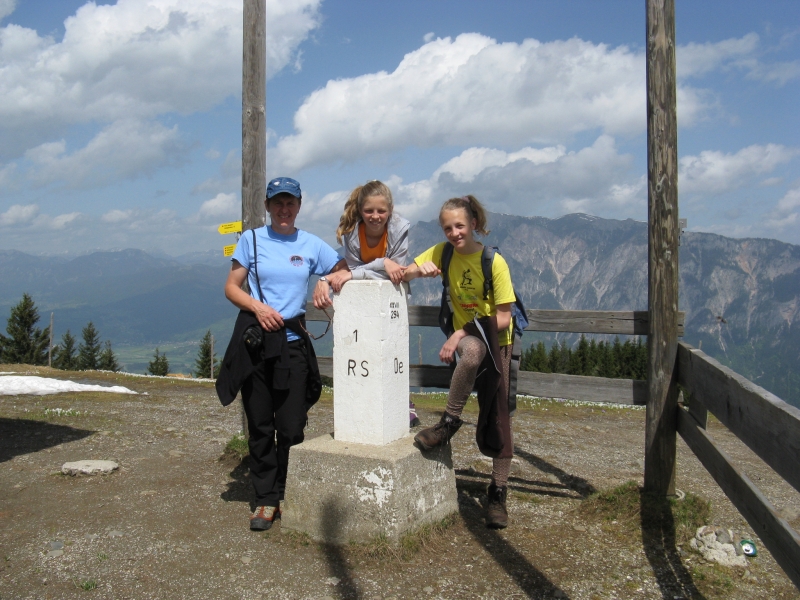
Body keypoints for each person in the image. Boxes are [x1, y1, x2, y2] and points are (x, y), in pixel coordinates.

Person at [217, 177, 347, 531]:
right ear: (267, 206)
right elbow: (231, 287)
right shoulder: (251, 240)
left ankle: (288, 489)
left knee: (291, 425)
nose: (284, 209)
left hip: (293, 344)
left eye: (290, 203)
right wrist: (258, 308)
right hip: (257, 343)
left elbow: (343, 269)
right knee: (260, 424)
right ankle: (266, 499)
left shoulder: (310, 244)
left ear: (299, 206)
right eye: (278, 203)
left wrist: (324, 280)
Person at [402, 195, 516, 529]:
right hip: (471, 341)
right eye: (448, 228)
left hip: (499, 341)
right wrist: (417, 270)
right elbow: (405, 274)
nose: (454, 233)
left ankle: (498, 491)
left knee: (499, 417)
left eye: (460, 226)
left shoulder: (494, 262)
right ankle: (449, 423)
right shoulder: (444, 252)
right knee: (473, 351)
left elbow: (504, 317)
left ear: (474, 224)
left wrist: (459, 332)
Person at [321, 180, 420, 426]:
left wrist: (367, 270)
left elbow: (395, 273)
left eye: (381, 211)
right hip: (361, 302)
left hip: (392, 300)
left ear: (390, 210)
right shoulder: (352, 233)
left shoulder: (399, 230)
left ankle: (402, 401)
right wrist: (383, 263)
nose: (375, 216)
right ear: (360, 210)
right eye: (369, 211)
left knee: (392, 351)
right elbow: (358, 271)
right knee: (365, 351)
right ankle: (365, 403)